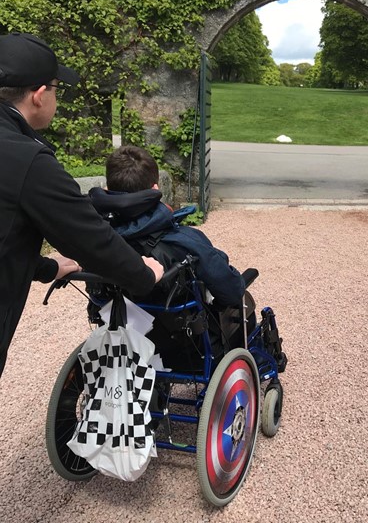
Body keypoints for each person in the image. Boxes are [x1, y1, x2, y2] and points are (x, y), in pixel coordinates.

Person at [0, 32, 164, 379]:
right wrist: (145, 274)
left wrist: (45, 268)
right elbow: (91, 239)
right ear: (39, 96)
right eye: (57, 88)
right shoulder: (27, 159)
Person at [88, 145, 246, 308]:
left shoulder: (94, 237)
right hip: (174, 330)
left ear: (108, 188)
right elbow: (232, 293)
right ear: (155, 189)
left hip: (115, 320)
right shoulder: (186, 241)